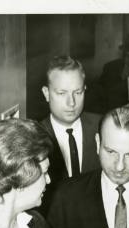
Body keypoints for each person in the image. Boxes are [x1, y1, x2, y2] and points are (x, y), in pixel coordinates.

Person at [40, 55, 100, 209]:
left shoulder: (102, 127)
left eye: (78, 92)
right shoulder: (35, 137)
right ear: (46, 93)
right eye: (62, 93)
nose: (71, 102)